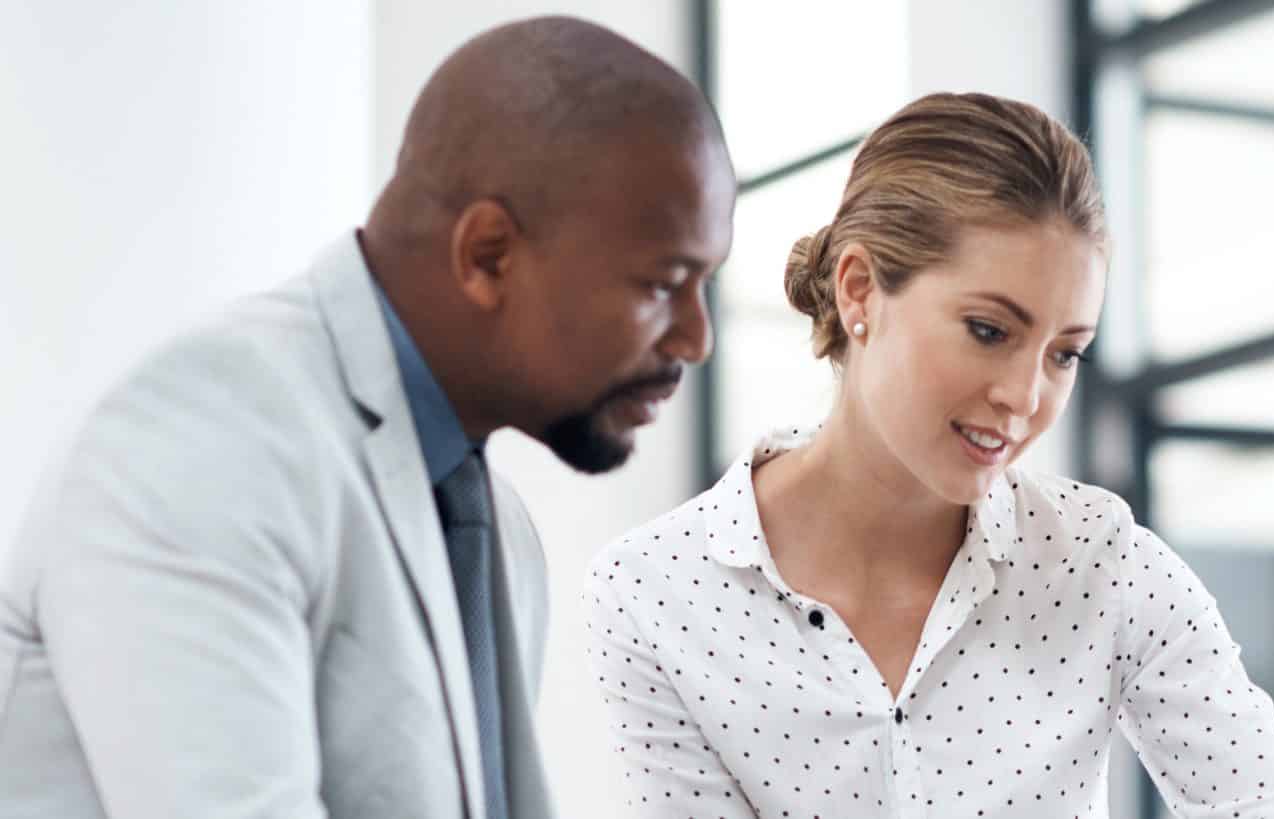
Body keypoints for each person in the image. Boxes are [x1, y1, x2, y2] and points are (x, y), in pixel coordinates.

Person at [0, 16, 733, 819]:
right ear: (488, 255)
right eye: (663, 283)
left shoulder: (494, 524)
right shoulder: (207, 442)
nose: (696, 337)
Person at [585, 92, 1274, 818]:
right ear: (858, 291)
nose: (1025, 396)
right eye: (990, 330)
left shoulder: (1102, 565)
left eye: (1065, 354)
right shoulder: (655, 595)